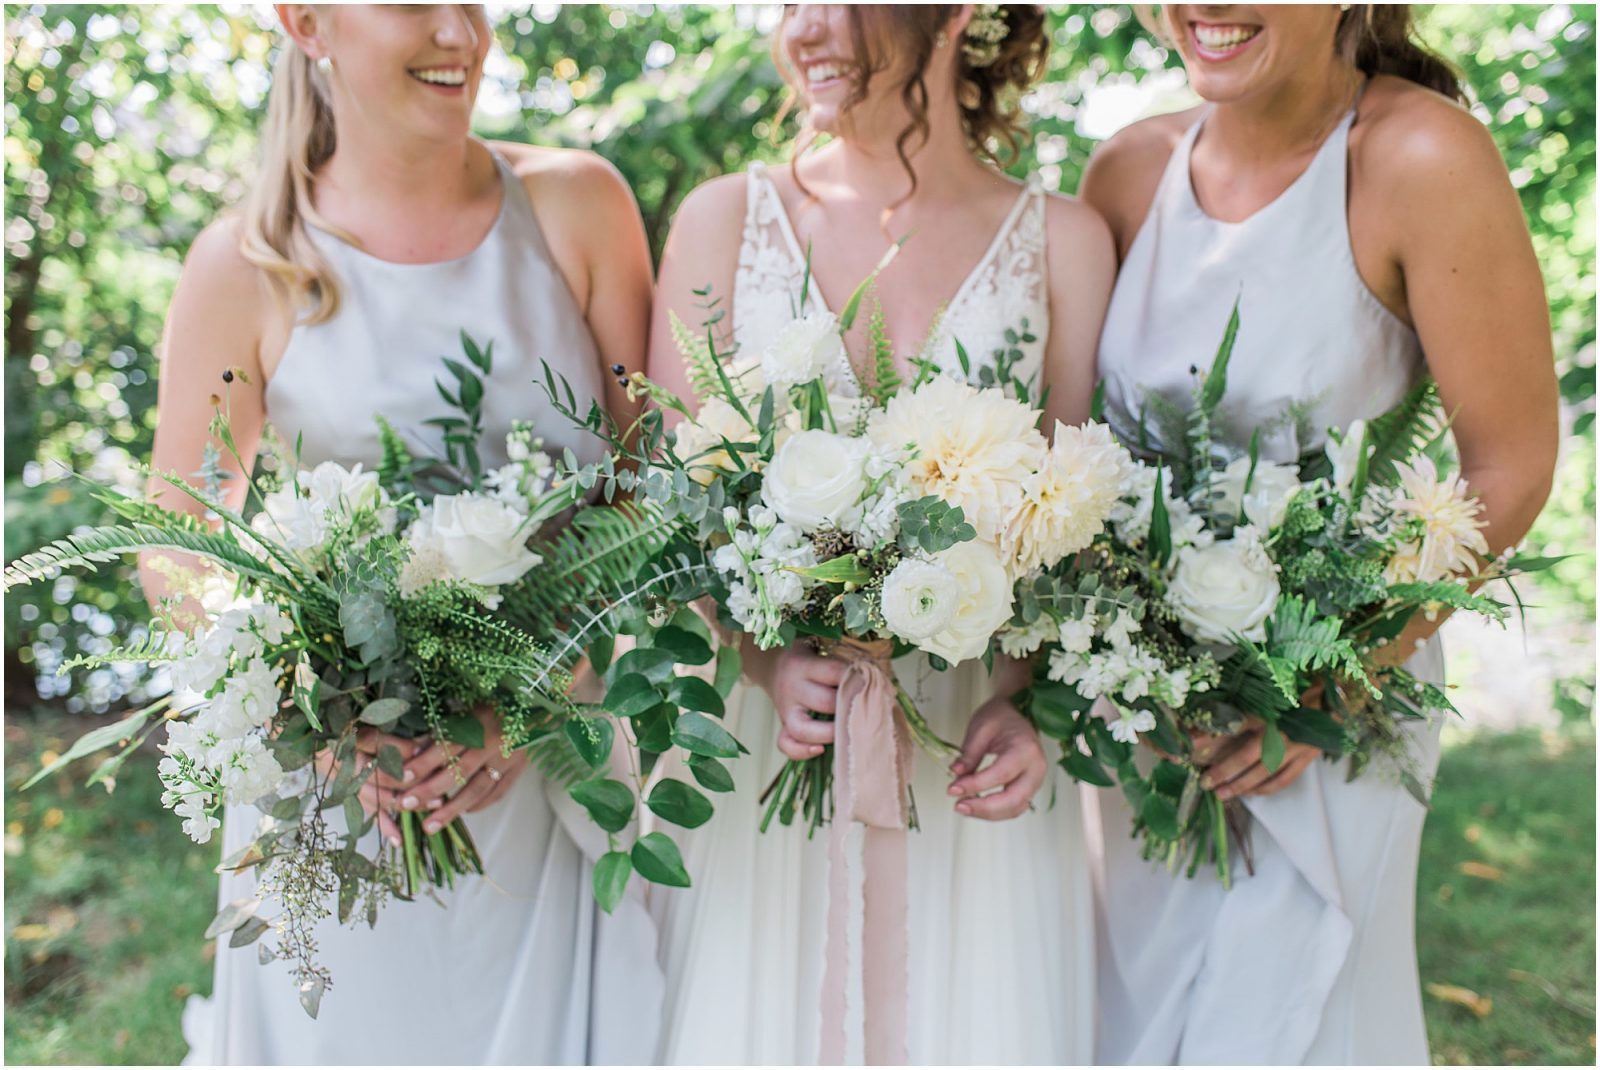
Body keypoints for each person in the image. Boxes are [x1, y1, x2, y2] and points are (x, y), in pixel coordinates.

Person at [139, 5, 659, 1063]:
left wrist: (532, 698)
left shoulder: (577, 206)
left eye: (475, 2)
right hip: (342, 796)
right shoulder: (247, 264)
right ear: (305, 20)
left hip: (544, 769)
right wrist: (315, 697)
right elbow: (176, 536)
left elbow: (645, 487)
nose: (460, 32)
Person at [1081, 4, 1558, 1062]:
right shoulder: (1123, 174)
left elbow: (1510, 462)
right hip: (1140, 731)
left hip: (1327, 719)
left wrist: (1327, 686)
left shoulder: (1421, 157)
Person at [644, 4, 1116, 1062]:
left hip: (969, 751)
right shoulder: (725, 219)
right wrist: (763, 658)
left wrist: (1027, 703)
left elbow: (1079, 517)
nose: (804, 28)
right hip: (776, 746)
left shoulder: (1064, 240)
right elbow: (668, 501)